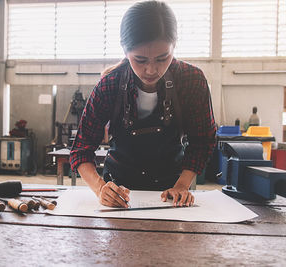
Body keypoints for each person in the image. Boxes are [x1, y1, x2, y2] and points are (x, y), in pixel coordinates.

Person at [70, 1, 216, 208]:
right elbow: (81, 149)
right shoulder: (109, 84)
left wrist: (182, 185)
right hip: (119, 193)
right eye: (140, 59)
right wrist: (100, 188)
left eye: (162, 58)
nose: (151, 70)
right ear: (125, 50)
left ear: (174, 45)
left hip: (172, 190)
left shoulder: (192, 80)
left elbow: (203, 142)